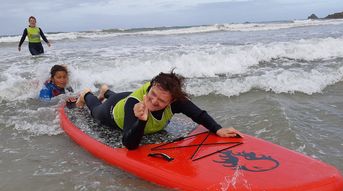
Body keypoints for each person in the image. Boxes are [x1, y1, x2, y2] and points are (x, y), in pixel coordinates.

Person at [75, 71, 240, 150]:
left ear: (172, 101)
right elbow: (129, 143)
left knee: (117, 96)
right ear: (150, 87)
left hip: (124, 96)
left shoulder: (176, 100)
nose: (154, 101)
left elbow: (198, 114)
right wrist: (142, 120)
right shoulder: (134, 103)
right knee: (96, 110)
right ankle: (88, 94)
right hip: (112, 110)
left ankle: (106, 90)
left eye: (161, 101)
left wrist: (218, 129)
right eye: (152, 94)